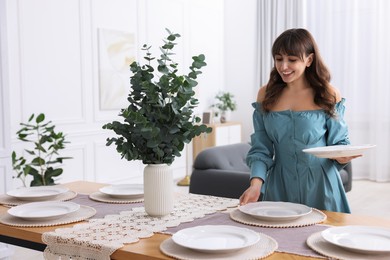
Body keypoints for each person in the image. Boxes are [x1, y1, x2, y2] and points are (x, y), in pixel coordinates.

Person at [239, 28, 360, 213]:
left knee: (324, 239)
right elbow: (261, 149)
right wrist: (256, 185)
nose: (283, 66)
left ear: (309, 60)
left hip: (322, 185)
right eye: (279, 59)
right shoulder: (266, 94)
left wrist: (341, 155)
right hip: (280, 186)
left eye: (292, 60)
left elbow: (340, 143)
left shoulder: (328, 93)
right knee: (281, 239)